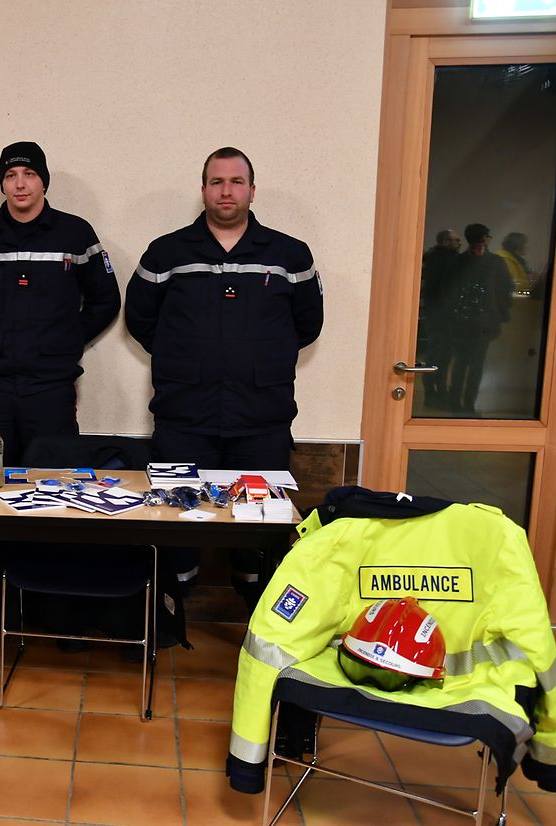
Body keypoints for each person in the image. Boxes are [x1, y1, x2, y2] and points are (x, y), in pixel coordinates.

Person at [125, 146, 323, 611]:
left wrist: (260, 358)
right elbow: (140, 319)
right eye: (217, 182)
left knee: (261, 523)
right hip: (183, 416)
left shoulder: (289, 254)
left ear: (252, 190)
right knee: (176, 516)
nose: (226, 191)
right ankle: (174, 602)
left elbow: (307, 325)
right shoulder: (167, 252)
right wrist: (184, 359)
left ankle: (257, 605)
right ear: (204, 190)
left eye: (236, 182)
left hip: (262, 419)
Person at [0, 141, 120, 465]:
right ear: (2, 183)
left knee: (54, 479)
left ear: (44, 181)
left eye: (29, 174)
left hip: (51, 388)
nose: (20, 184)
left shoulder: (75, 233)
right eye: (11, 175)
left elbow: (106, 299)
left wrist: (68, 338)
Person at [444, 223, 512, 416]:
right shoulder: (495, 263)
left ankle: (455, 402)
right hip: (483, 322)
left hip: (461, 321)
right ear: (484, 238)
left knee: (461, 362)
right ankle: (467, 405)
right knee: (475, 365)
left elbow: (448, 291)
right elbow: (504, 290)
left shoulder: (458, 262)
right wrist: (501, 315)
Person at [418, 229, 462, 406]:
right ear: (445, 241)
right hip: (439, 315)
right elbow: (439, 289)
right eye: (455, 240)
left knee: (443, 355)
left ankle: (439, 391)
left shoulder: (442, 258)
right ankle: (432, 393)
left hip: (440, 314)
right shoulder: (438, 260)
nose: (459, 243)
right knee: (437, 355)